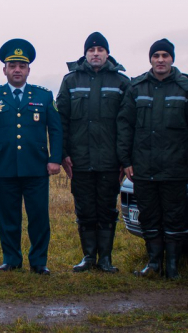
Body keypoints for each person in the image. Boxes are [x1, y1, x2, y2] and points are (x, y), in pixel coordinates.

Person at [117, 38, 188, 280]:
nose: (161, 60)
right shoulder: (137, 88)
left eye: (165, 55)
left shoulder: (187, 88)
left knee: (175, 217)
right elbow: (125, 126)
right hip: (143, 167)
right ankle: (154, 263)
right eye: (156, 56)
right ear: (151, 59)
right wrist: (126, 161)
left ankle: (173, 267)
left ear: (172, 59)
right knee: (149, 216)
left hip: (175, 168)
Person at [0, 39, 63, 275]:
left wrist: (55, 158)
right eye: (12, 65)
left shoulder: (43, 96)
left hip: (36, 168)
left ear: (28, 70)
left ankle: (38, 261)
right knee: (8, 218)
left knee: (38, 218)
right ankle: (11, 259)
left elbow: (55, 129)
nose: (17, 70)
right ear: (4, 69)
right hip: (4, 167)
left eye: (21, 66)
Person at [56, 32, 130, 273]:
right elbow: (62, 121)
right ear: (85, 54)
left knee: (107, 208)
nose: (96, 53)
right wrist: (64, 153)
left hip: (110, 161)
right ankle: (88, 257)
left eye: (100, 49)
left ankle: (105, 259)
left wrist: (123, 158)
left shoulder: (121, 82)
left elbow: (127, 123)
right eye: (91, 50)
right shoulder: (71, 81)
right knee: (85, 209)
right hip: (80, 160)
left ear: (107, 53)